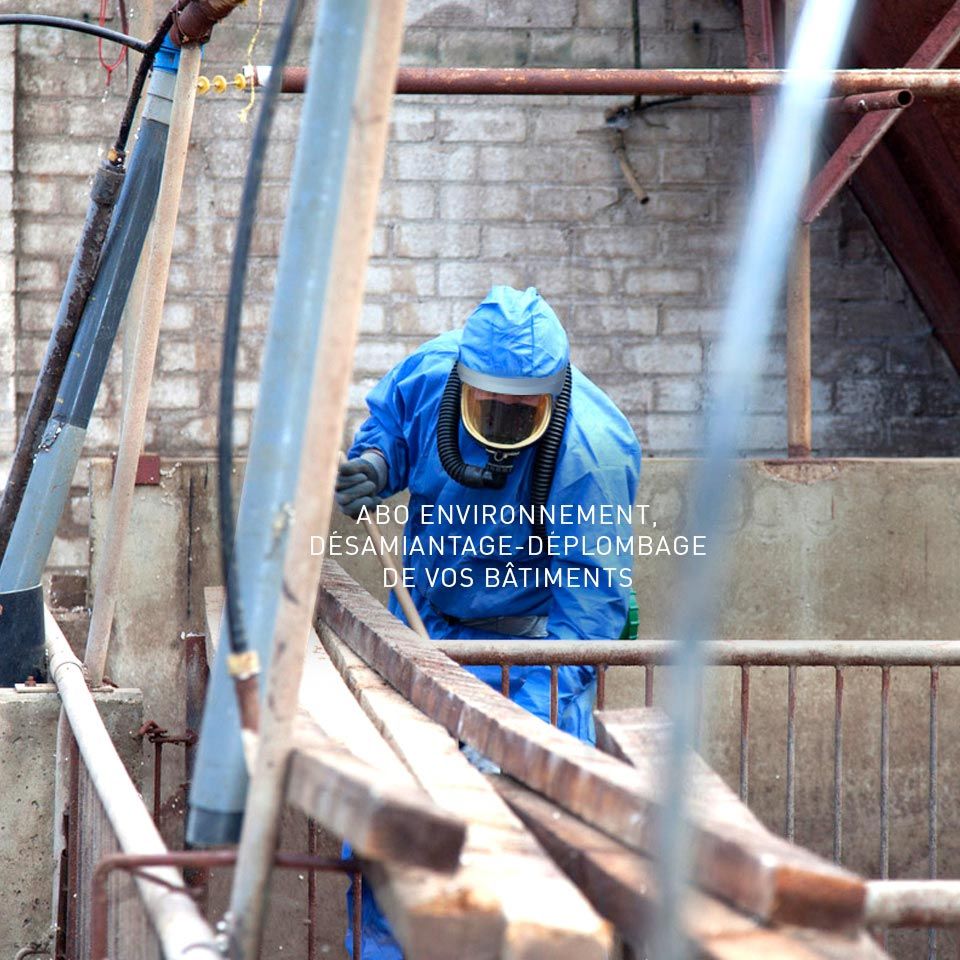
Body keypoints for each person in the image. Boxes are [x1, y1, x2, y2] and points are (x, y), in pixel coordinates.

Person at [336, 285, 641, 958]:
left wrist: (522, 725)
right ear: (464, 380)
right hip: (425, 631)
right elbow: (392, 426)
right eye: (488, 407)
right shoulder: (430, 372)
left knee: (529, 836)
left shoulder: (590, 452)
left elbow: (587, 611)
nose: (502, 423)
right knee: (392, 835)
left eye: (520, 412)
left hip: (535, 657)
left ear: (548, 397)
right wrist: (376, 465)